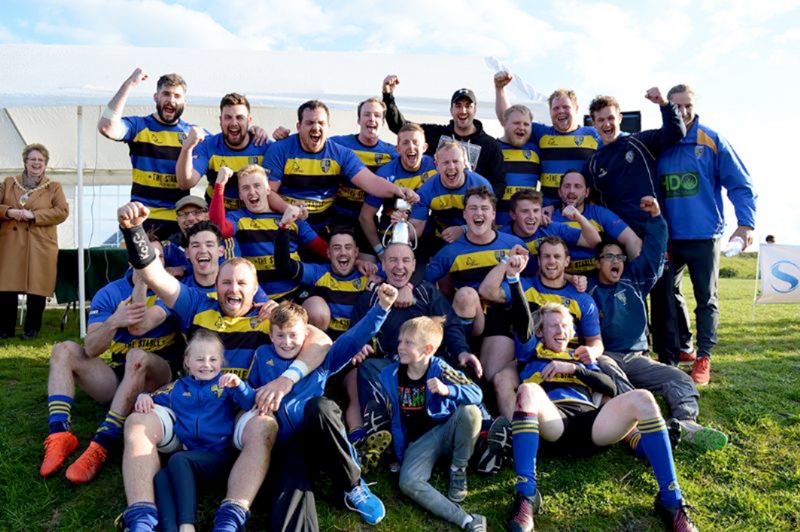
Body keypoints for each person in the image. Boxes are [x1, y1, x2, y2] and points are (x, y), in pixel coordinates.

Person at [116, 200, 333, 532]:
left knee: (264, 425)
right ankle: (142, 519)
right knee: (137, 421)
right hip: (189, 413)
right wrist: (133, 231)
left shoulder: (268, 317)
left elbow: (322, 341)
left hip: (236, 418)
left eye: (242, 283)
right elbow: (154, 275)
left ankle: (230, 520)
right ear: (216, 284)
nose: (233, 288)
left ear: (254, 287)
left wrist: (285, 381)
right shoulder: (196, 303)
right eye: (227, 282)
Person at [506, 298, 697, 532]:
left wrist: (575, 369)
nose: (560, 330)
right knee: (528, 390)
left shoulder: (581, 357)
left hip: (593, 425)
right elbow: (521, 318)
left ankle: (671, 500)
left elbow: (610, 388)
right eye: (553, 325)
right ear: (540, 331)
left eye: (565, 325)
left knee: (643, 398)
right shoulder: (530, 352)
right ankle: (526, 496)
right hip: (556, 423)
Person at [248, 285, 398, 530]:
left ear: (306, 335)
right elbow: (252, 394)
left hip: (319, 440)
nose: (287, 342)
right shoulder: (262, 356)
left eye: (293, 335)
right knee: (290, 491)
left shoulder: (320, 357)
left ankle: (353, 486)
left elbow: (354, 338)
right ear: (271, 334)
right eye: (281, 335)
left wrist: (382, 308)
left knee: (321, 406)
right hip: (285, 446)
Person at [39, 236, 185, 485]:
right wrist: (114, 320)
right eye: (145, 256)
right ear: (131, 261)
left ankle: (102, 442)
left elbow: (139, 326)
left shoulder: (171, 288)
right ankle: (60, 434)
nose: (152, 261)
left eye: (159, 257)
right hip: (122, 375)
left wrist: (141, 288)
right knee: (64, 349)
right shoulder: (110, 292)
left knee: (137, 356)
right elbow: (92, 348)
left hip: (161, 376)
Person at [587, 196, 727, 451]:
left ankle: (685, 423)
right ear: (598, 262)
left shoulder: (636, 280)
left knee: (679, 379)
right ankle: (649, 425)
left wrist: (655, 219)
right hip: (604, 356)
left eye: (619, 256)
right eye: (608, 256)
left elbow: (653, 251)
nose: (615, 261)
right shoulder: (586, 287)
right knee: (611, 374)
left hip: (637, 357)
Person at [476, 237, 604, 473]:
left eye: (557, 256)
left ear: (567, 261)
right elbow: (486, 291)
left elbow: (596, 342)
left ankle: (633, 435)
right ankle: (516, 435)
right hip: (530, 354)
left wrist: (591, 352)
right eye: (546, 256)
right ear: (538, 260)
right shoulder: (526, 285)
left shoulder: (582, 298)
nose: (551, 261)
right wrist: (507, 262)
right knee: (502, 379)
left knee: (608, 380)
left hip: (571, 356)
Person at [657, 83, 757, 385]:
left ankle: (704, 356)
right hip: (668, 237)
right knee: (667, 295)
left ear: (694, 106)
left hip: (704, 235)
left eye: (688, 105)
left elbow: (741, 184)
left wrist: (745, 224)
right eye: (677, 106)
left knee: (706, 298)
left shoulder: (712, 141)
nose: (684, 112)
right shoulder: (659, 142)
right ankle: (679, 350)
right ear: (667, 108)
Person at [584, 88, 686, 366]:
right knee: (629, 297)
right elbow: (589, 197)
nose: (606, 124)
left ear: (619, 119)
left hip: (653, 233)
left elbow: (675, 133)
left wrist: (664, 104)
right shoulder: (594, 164)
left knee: (663, 296)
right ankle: (637, 353)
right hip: (623, 242)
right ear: (593, 124)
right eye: (600, 120)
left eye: (610, 118)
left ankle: (669, 360)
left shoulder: (640, 142)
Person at [132, 330, 256, 532]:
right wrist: (143, 396)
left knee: (178, 459)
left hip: (219, 457)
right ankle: (168, 528)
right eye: (200, 359)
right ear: (187, 361)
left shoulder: (226, 384)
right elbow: (154, 397)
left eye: (213, 359)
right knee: (161, 477)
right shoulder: (178, 388)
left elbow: (250, 402)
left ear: (221, 361)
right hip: (191, 459)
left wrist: (239, 385)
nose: (207, 364)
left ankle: (187, 525)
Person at [378, 316, 487, 531]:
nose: (400, 347)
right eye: (400, 341)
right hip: (419, 442)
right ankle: (467, 520)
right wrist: (400, 457)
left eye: (408, 342)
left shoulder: (441, 369)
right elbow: (396, 422)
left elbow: (476, 393)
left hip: (447, 430)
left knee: (471, 412)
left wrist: (449, 390)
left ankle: (458, 467)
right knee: (407, 482)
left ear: (427, 349)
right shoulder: (389, 375)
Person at [264, 99, 418, 234]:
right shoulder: (281, 149)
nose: (316, 127)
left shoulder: (340, 153)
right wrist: (289, 210)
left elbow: (370, 181)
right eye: (310, 122)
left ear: (329, 126)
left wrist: (399, 191)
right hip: (287, 223)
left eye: (321, 123)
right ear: (299, 126)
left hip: (324, 225)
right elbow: (268, 192)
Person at [97, 68, 196, 239]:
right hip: (142, 217)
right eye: (166, 94)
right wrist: (129, 84)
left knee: (175, 267)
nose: (171, 100)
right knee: (142, 266)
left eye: (177, 96)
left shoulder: (193, 133)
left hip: (179, 222)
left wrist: (253, 132)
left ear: (185, 103)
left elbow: (224, 145)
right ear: (156, 97)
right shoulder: (139, 126)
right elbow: (107, 127)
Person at [209, 164, 327, 300]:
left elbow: (323, 250)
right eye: (245, 188)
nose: (252, 192)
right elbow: (219, 229)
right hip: (258, 299)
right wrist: (220, 184)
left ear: (267, 189)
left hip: (295, 293)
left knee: (318, 311)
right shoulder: (238, 218)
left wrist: (356, 259)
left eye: (257, 186)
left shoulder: (291, 216)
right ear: (240, 195)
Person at [382, 75, 505, 196]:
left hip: (472, 212)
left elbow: (498, 185)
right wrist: (388, 96)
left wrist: (481, 202)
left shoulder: (490, 145)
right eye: (458, 106)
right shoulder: (436, 134)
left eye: (468, 106)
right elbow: (401, 127)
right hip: (439, 209)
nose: (463, 111)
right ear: (451, 110)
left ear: (475, 110)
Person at [494, 71, 600, 206]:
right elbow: (509, 118)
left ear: (576, 109)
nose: (561, 111)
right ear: (550, 112)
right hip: (548, 213)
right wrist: (500, 89)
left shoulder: (592, 134)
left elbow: (615, 138)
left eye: (566, 107)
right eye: (556, 108)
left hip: (582, 210)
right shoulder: (540, 133)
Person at [0, 143, 69, 340]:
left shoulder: (54, 187)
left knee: (37, 287)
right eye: (33, 159)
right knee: (6, 286)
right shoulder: (8, 182)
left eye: (41, 160)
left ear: (46, 164)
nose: (36, 163)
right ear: (25, 162)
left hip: (40, 244)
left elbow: (62, 212)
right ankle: (5, 329)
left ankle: (32, 330)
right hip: (10, 243)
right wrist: (8, 211)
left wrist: (34, 215)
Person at [176, 93, 272, 210]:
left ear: (249, 120)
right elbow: (185, 183)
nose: (234, 123)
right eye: (228, 117)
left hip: (253, 214)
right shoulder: (208, 145)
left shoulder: (265, 146)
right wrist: (187, 147)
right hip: (216, 211)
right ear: (220, 120)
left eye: (240, 117)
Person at [359, 123, 437, 261]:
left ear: (424, 147)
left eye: (415, 142)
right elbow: (365, 216)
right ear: (398, 149)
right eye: (405, 143)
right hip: (389, 236)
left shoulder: (434, 166)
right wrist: (380, 251)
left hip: (423, 237)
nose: (411, 147)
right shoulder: (386, 174)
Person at [409, 141, 494, 258]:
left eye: (455, 161)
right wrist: (401, 225)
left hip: (474, 239)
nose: (451, 167)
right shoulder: (426, 190)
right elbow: (416, 229)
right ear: (437, 165)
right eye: (446, 162)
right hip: (439, 242)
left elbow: (490, 223)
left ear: (464, 163)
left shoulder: (480, 184)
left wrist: (463, 230)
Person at [551, 169, 641, 274]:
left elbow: (632, 240)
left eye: (577, 186)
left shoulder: (600, 214)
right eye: (567, 186)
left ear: (586, 192)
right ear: (559, 192)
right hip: (564, 281)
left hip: (599, 280)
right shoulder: (550, 218)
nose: (572, 191)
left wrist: (635, 276)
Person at [498, 189, 600, 276]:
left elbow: (594, 242)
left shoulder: (551, 228)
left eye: (536, 211)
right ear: (513, 215)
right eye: (525, 211)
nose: (532, 216)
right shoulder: (501, 238)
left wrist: (580, 218)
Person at [330, 97, 398, 227]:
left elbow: (415, 159)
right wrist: (282, 136)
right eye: (367, 114)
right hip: (337, 216)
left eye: (377, 115)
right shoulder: (339, 144)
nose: (372, 119)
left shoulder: (391, 152)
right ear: (359, 120)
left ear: (383, 122)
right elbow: (312, 143)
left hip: (369, 218)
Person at [495, 105, 540, 225]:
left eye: (526, 124)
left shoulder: (536, 151)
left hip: (526, 228)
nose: (521, 128)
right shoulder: (492, 148)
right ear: (504, 123)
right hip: (497, 229)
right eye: (516, 123)